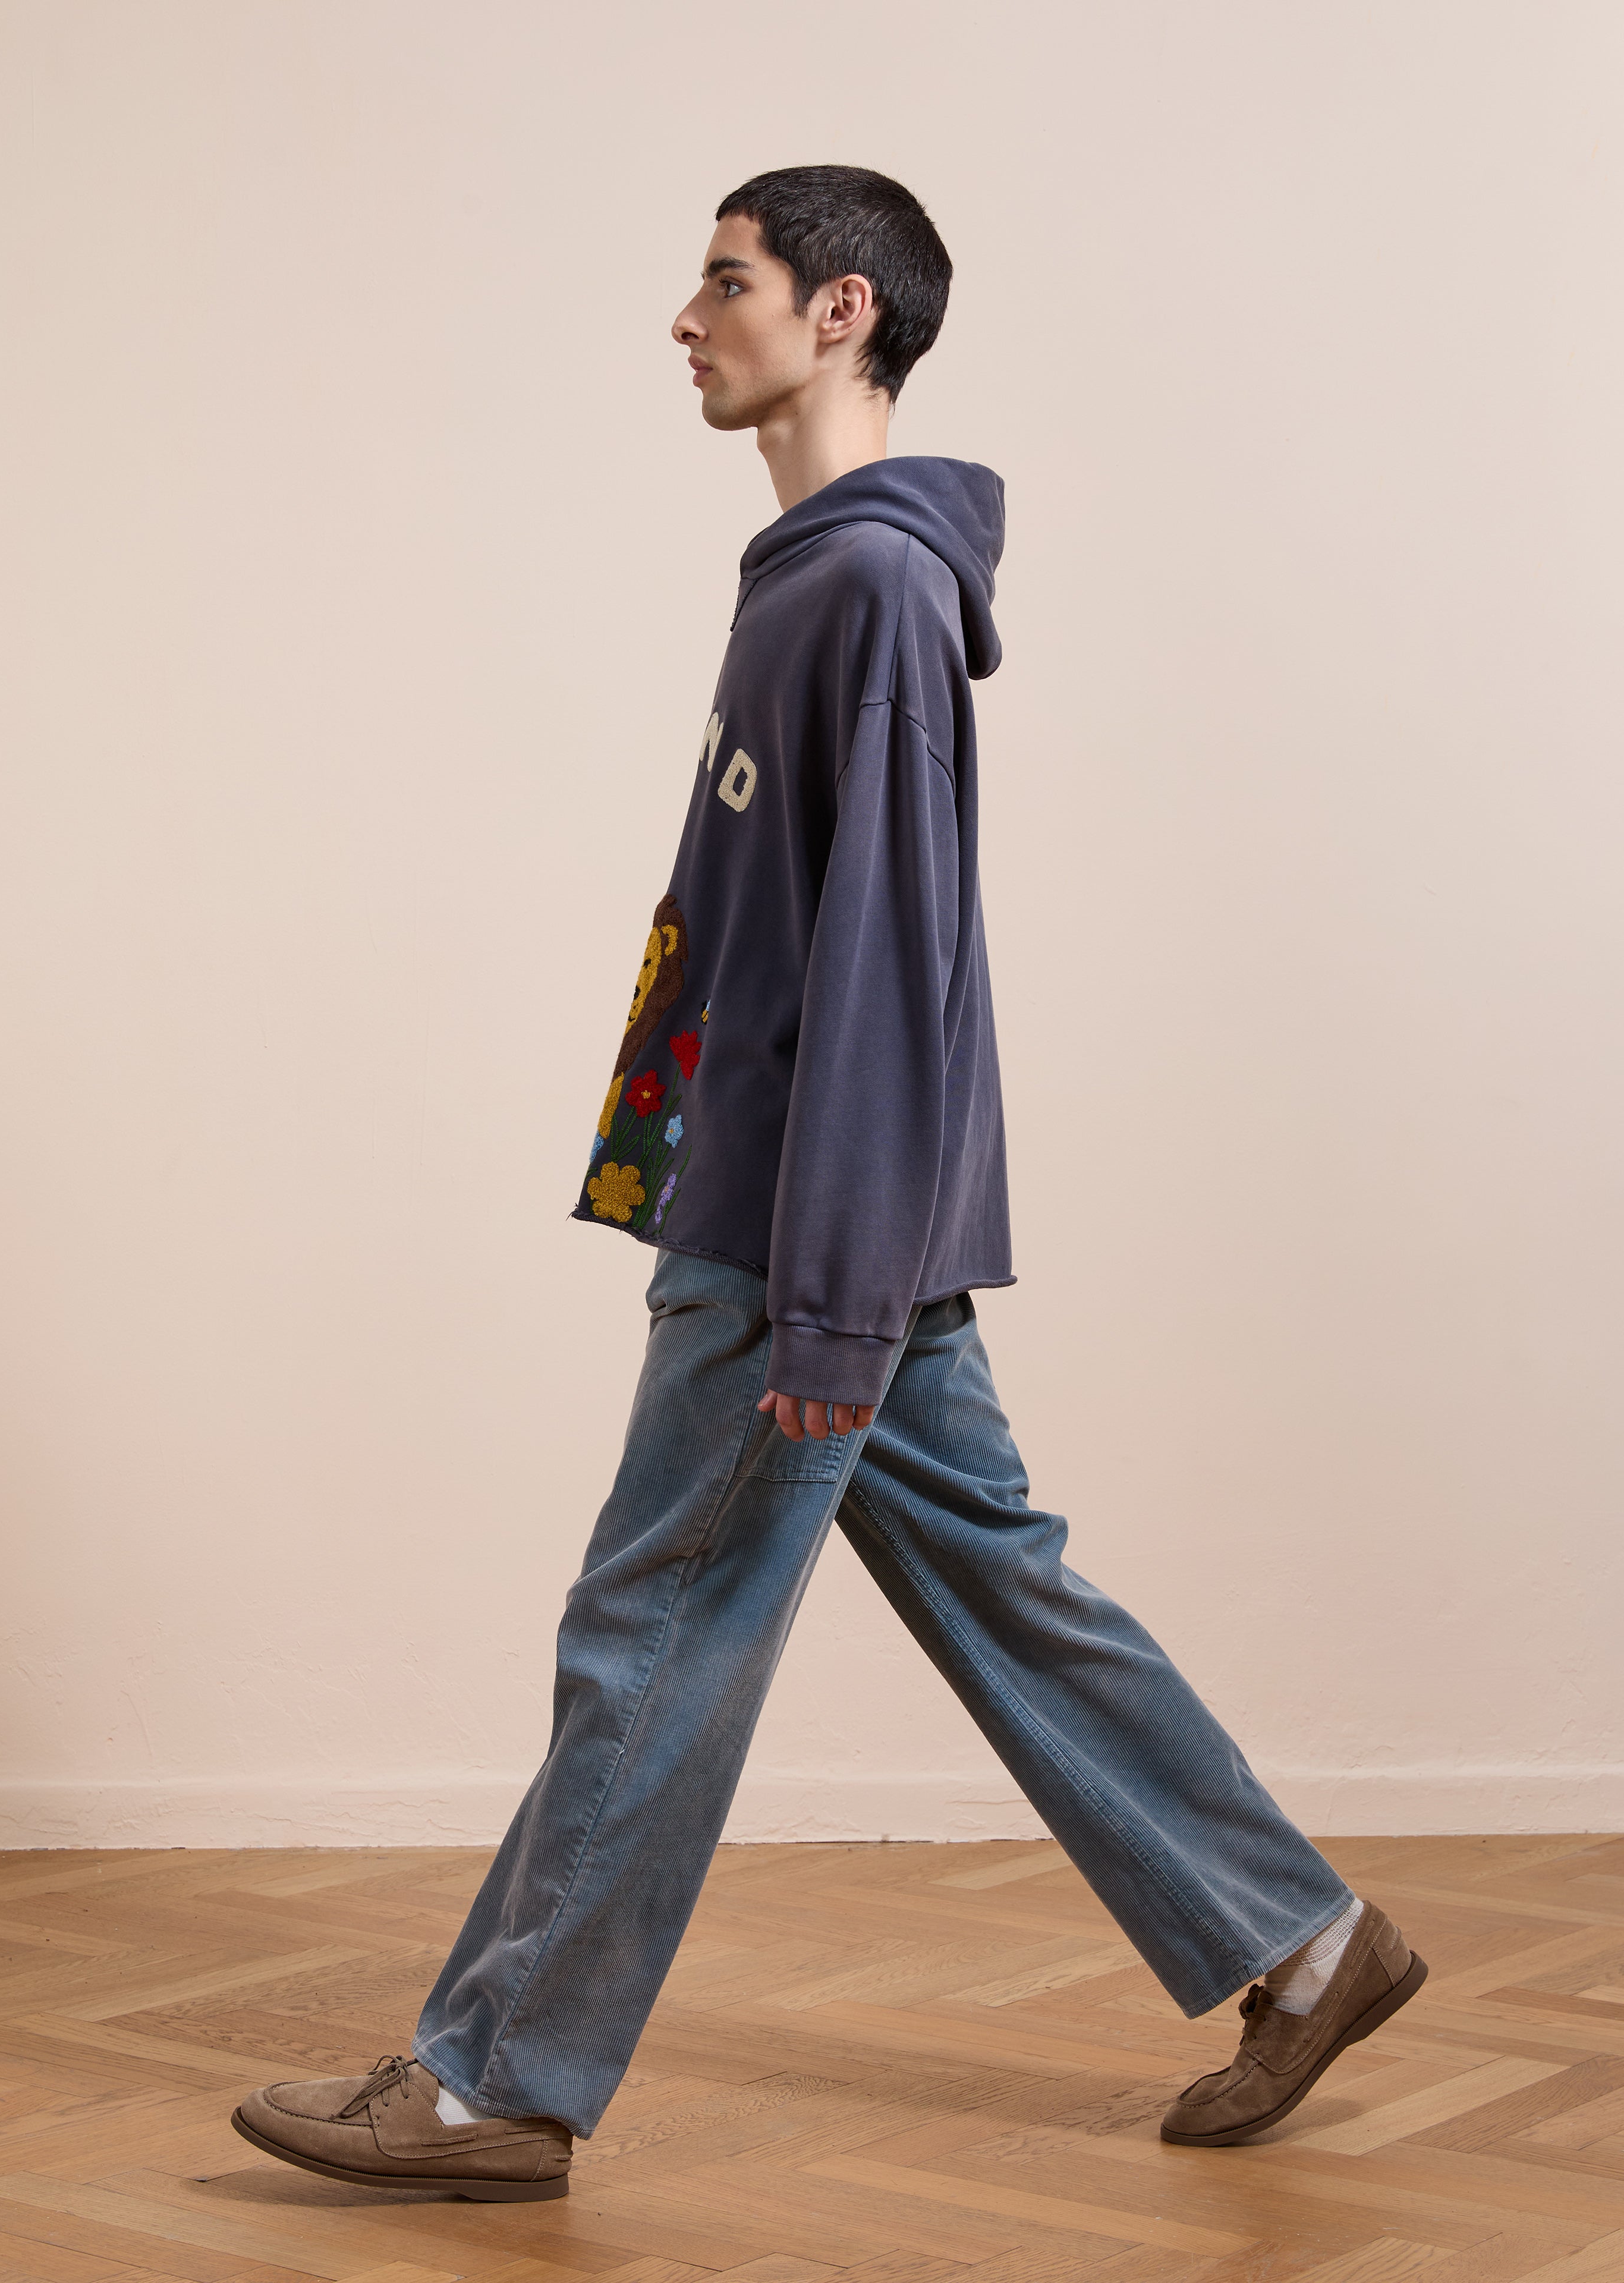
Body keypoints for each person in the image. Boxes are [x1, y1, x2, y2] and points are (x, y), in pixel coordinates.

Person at [231, 164, 1425, 2205]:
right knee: (999, 1585)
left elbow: (891, 967)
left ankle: (496, 2081)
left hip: (797, 1228)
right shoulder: (812, 576)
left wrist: (836, 1296)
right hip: (813, 1213)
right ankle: (1306, 1943)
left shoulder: (868, 587)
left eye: (728, 281)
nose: (688, 319)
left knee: (654, 1629)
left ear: (842, 311)